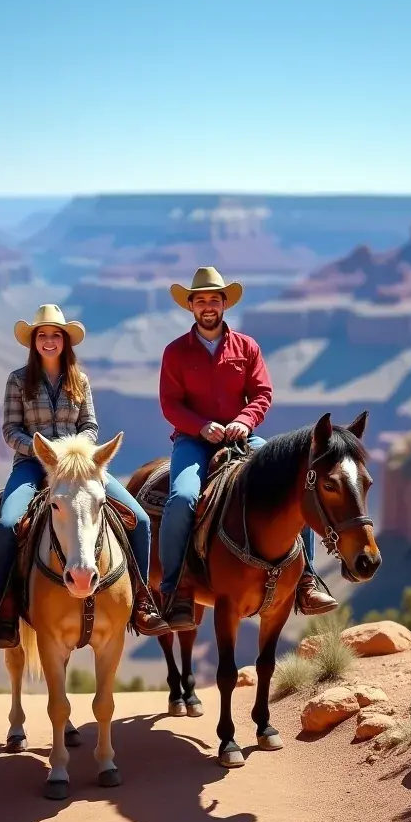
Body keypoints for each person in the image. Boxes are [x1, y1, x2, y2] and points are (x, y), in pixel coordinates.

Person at [157, 266, 338, 631]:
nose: (208, 306)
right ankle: (175, 588)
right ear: (190, 306)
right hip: (194, 441)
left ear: (224, 303)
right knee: (181, 499)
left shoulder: (246, 346)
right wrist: (200, 426)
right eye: (201, 300)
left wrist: (245, 420)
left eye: (214, 299)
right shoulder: (175, 352)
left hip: (242, 437)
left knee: (293, 484)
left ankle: (306, 581)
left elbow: (262, 394)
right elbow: (170, 404)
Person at [0, 304, 169, 649]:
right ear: (33, 341)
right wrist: (43, 452)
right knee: (8, 524)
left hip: (81, 468)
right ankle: (6, 610)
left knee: (140, 519)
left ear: (65, 342)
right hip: (32, 464)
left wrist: (74, 453)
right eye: (43, 335)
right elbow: (11, 430)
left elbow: (90, 426)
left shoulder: (79, 380)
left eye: (56, 335)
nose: (49, 341)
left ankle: (142, 600)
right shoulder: (18, 380)